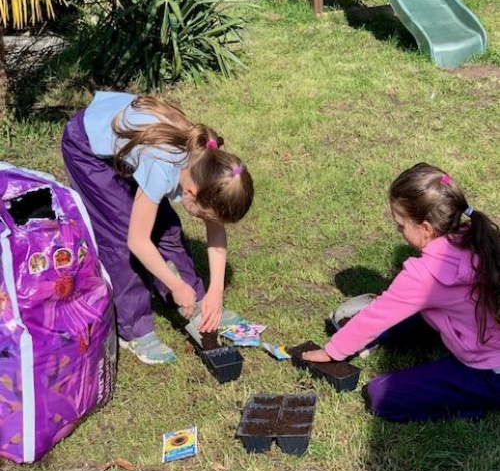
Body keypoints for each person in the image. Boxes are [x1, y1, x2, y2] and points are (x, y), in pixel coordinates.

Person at [61, 91, 254, 364]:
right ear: (191, 192)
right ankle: (134, 330)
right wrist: (175, 283)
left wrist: (216, 292)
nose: (207, 221)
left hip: (126, 143)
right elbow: (137, 241)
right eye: (203, 216)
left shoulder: (205, 164)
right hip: (87, 149)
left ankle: (195, 300)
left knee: (167, 228)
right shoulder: (162, 168)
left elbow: (215, 231)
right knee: (120, 237)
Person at [303, 162, 500, 422]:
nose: (398, 231)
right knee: (415, 315)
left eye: (401, 225)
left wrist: (332, 352)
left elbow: (379, 314)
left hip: (490, 372)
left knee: (381, 394)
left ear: (426, 228)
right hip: (487, 339)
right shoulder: (474, 235)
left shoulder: (424, 275)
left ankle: (473, 402)